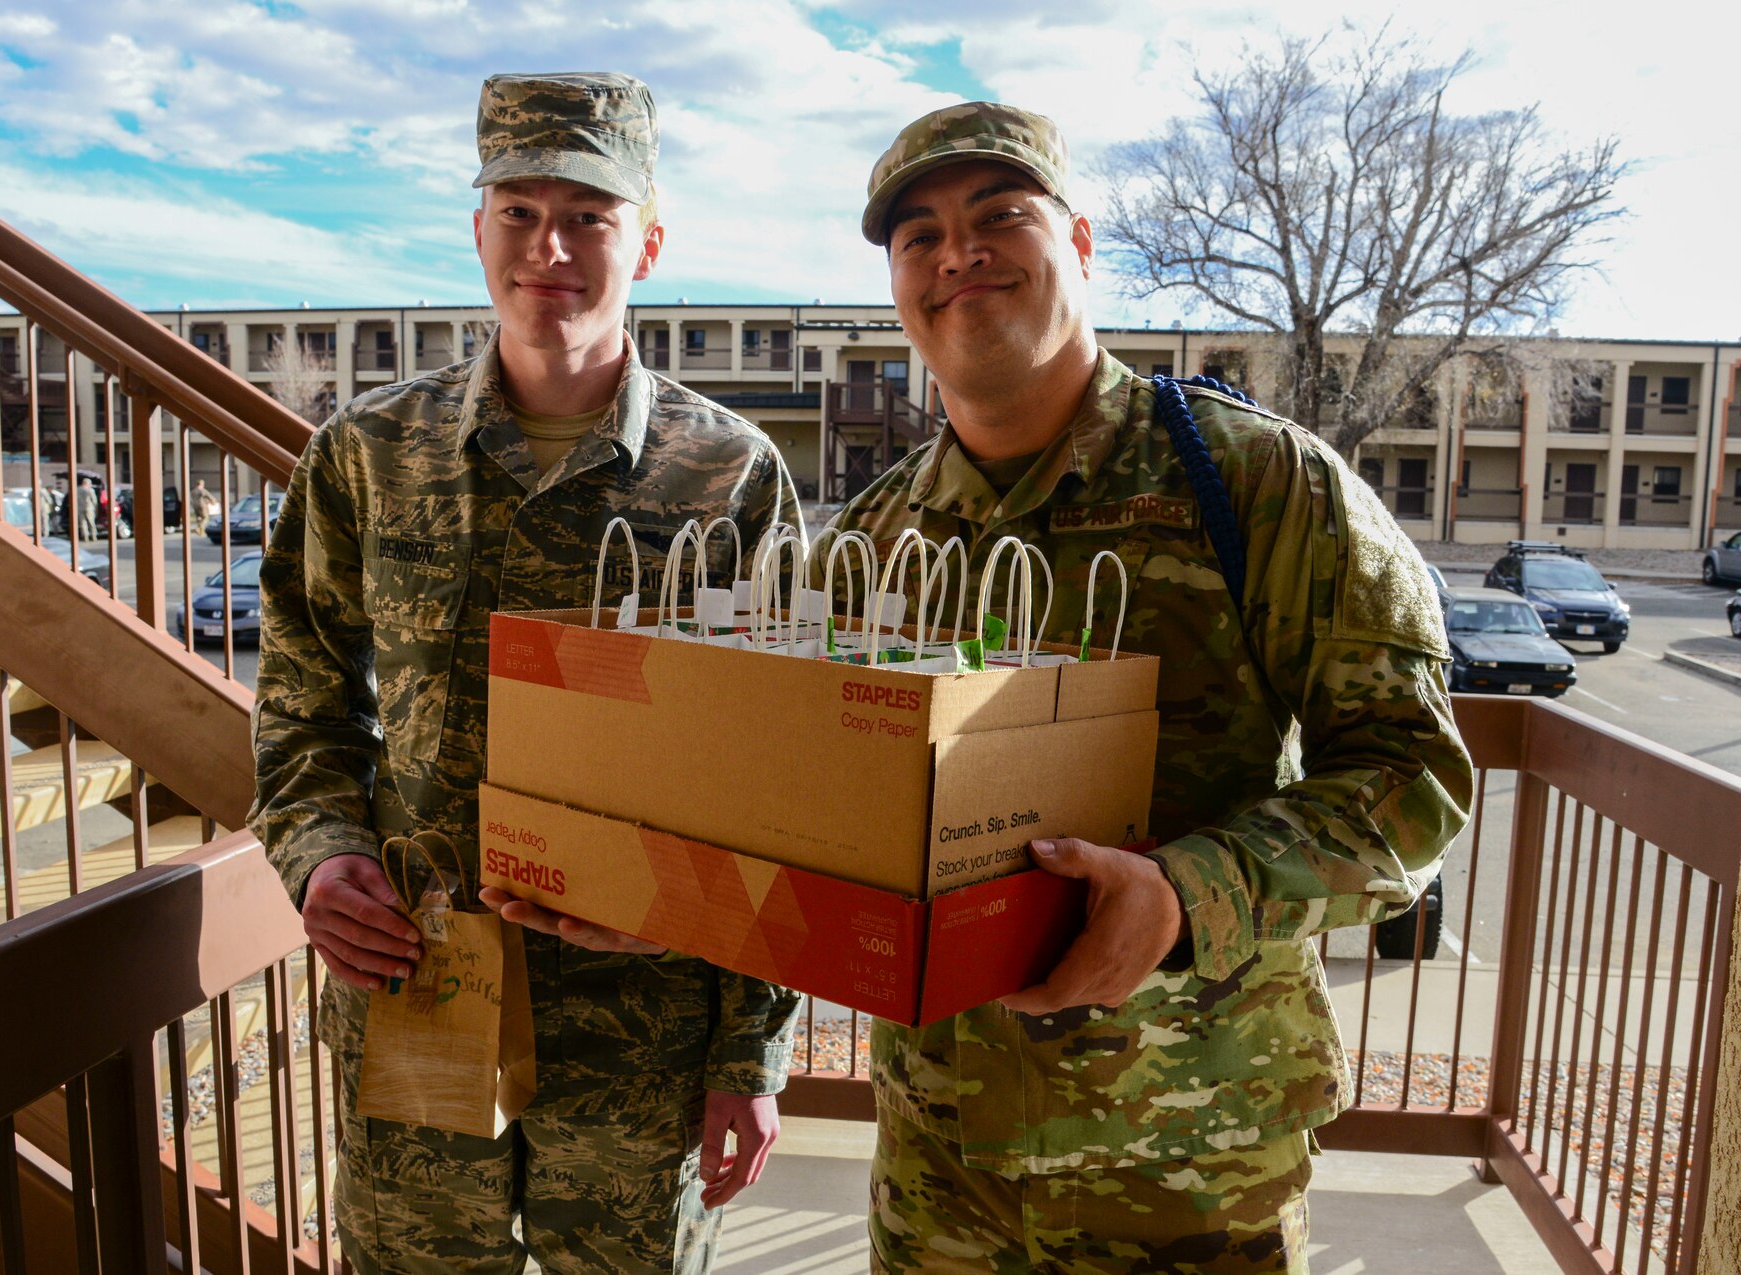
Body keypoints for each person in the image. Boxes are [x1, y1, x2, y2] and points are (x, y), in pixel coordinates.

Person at [834, 103, 1474, 1272]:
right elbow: (822, 805)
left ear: (1076, 245)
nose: (955, 253)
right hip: (939, 1160)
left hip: (1185, 1162)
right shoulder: (875, 536)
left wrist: (1190, 892)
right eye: (916, 235)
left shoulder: (1253, 482)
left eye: (998, 216)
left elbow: (1409, 779)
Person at [251, 72, 803, 1274]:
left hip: (642, 1025)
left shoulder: (730, 477)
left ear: (645, 242)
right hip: (417, 986)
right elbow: (302, 703)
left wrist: (745, 1060)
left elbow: (780, 784)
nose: (547, 247)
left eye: (588, 216)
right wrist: (319, 855)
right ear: (478, 227)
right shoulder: (368, 455)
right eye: (517, 210)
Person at [75, 475, 99, 540]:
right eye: (90, 483)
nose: (91, 485)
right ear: (87, 483)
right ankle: (93, 536)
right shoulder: (90, 490)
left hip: (79, 508)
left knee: (83, 523)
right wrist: (96, 508)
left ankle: (85, 536)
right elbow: (94, 500)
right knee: (91, 522)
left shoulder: (77, 490)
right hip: (89, 508)